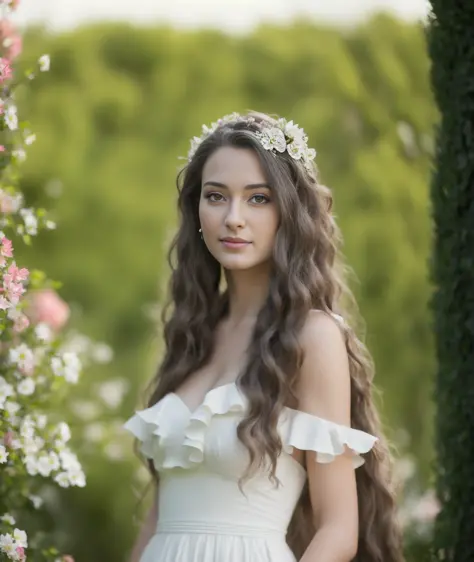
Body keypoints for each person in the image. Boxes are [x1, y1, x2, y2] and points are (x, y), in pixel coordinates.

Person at [124, 111, 403, 562]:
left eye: (258, 199)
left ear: (289, 212)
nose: (233, 218)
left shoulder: (311, 337)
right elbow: (159, 517)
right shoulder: (193, 334)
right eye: (216, 197)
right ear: (197, 209)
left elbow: (338, 529)